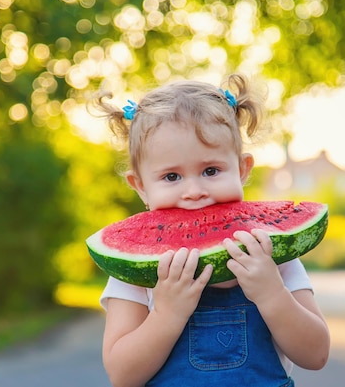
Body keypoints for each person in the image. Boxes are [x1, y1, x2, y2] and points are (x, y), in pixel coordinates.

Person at [92, 74, 330, 387]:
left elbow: (316, 355)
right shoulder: (134, 274)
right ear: (140, 186)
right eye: (171, 177)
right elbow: (122, 376)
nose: (194, 191)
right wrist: (166, 315)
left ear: (243, 169)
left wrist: (273, 295)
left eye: (211, 171)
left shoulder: (270, 253)